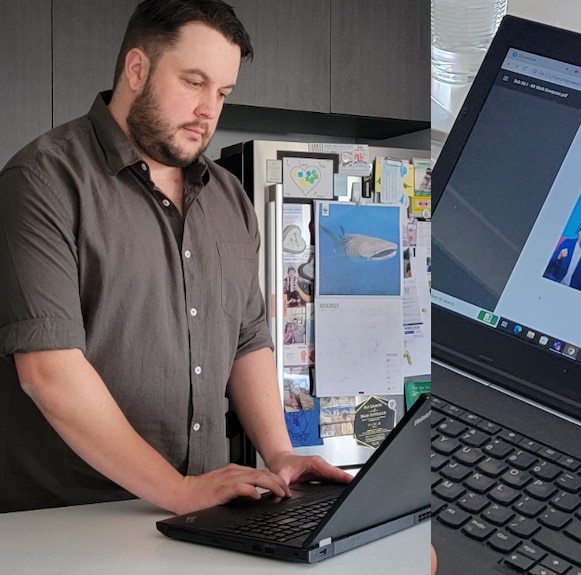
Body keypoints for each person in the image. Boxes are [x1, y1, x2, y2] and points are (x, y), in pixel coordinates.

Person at [0, 0, 352, 514]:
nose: (210, 108)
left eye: (223, 92)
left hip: (203, 514)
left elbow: (247, 340)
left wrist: (280, 453)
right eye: (194, 82)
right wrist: (178, 490)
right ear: (137, 69)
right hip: (71, 517)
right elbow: (48, 372)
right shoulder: (42, 181)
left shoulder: (230, 198)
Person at [543, 220, 581, 290]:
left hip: (573, 287)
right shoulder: (567, 243)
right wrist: (560, 256)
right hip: (555, 281)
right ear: (580, 231)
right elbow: (551, 262)